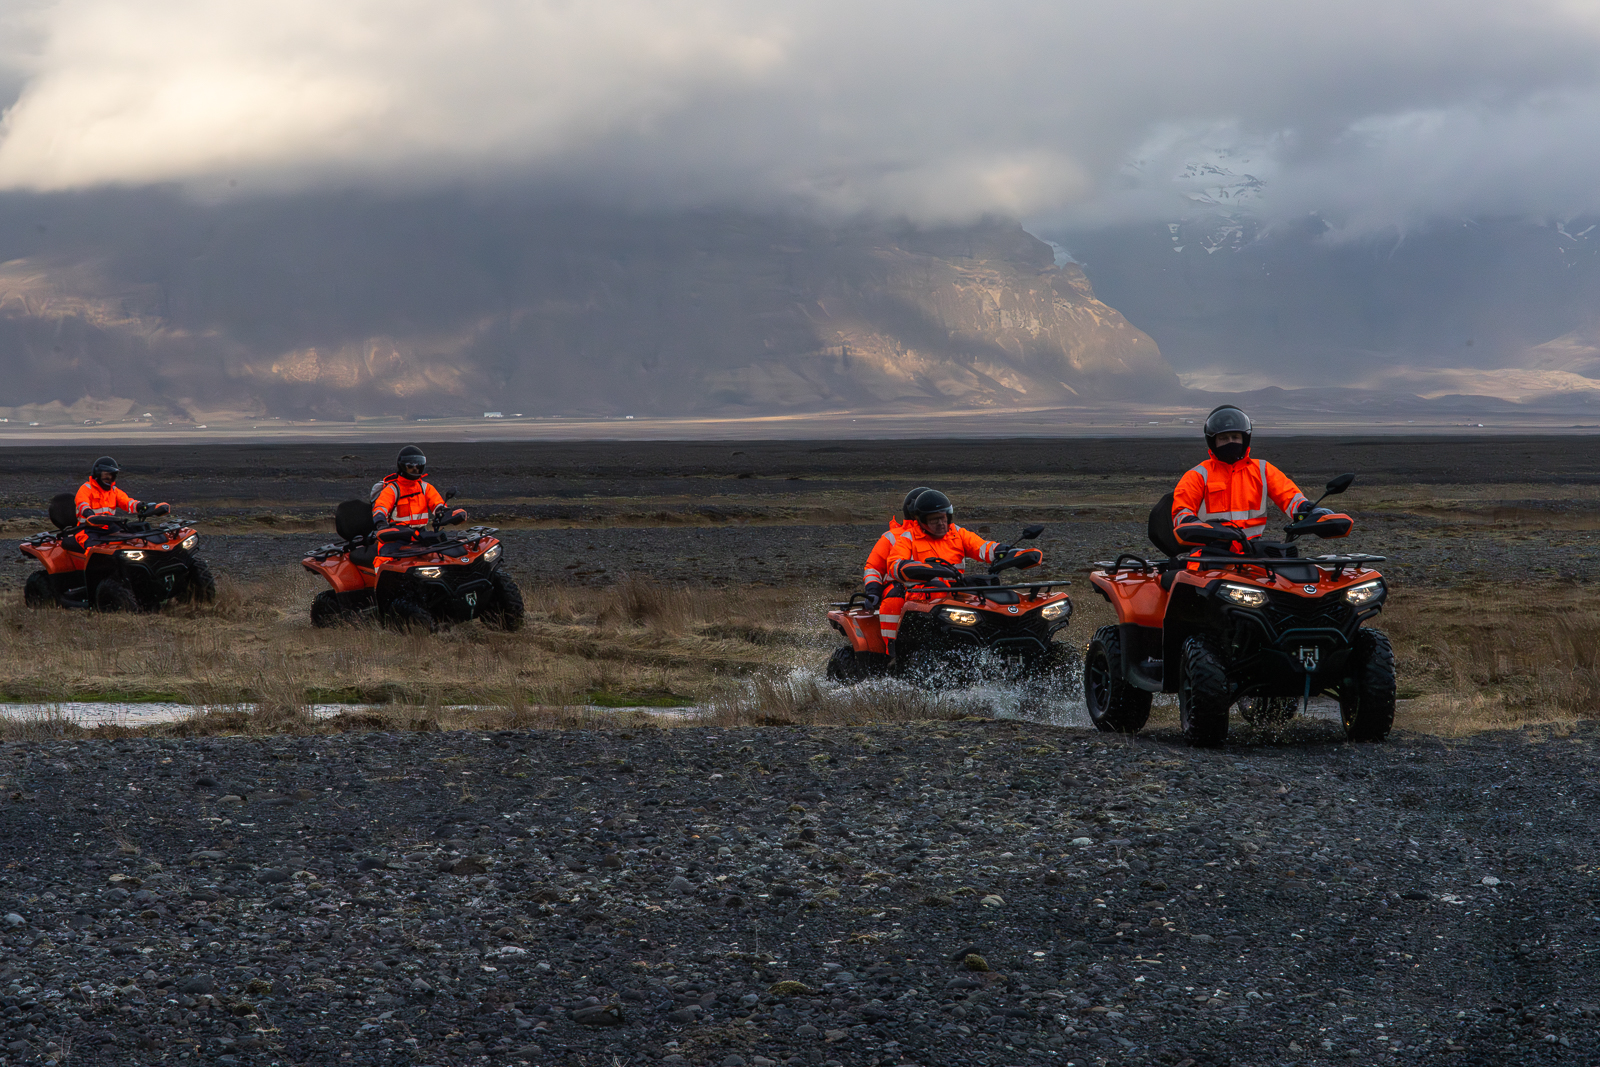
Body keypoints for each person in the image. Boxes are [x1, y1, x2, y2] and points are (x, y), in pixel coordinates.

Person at [885, 489, 1042, 659]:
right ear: (922, 521)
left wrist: (1004, 551)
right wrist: (924, 570)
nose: (941, 523)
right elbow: (895, 565)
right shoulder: (908, 538)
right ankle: (896, 656)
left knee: (992, 593)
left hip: (956, 592)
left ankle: (1008, 644)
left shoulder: (957, 533)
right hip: (924, 595)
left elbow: (982, 547)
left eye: (943, 518)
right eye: (934, 520)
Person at [1171, 405, 1327, 548]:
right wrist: (1194, 526)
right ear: (1213, 442)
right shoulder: (1198, 475)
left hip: (1254, 554)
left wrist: (1310, 510)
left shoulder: (1262, 470)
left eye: (1235, 437)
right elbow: (1181, 512)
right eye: (1224, 438)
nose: (1230, 442)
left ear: (1244, 440)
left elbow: (1290, 497)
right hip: (1210, 556)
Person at [861, 487, 928, 653]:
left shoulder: (946, 537)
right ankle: (893, 650)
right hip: (900, 588)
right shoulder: (891, 537)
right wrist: (873, 591)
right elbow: (873, 568)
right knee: (894, 598)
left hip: (937, 588)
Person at [370, 446, 462, 562]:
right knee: (384, 559)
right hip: (397, 536)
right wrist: (380, 522)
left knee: (447, 555)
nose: (415, 470)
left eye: (418, 466)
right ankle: (381, 579)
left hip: (421, 535)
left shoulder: (425, 488)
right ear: (402, 466)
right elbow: (381, 507)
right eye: (410, 466)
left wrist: (444, 513)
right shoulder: (393, 489)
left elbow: (437, 503)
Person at [73, 456, 168, 546]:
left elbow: (127, 502)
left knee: (129, 543)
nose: (109, 479)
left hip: (109, 528)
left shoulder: (113, 491)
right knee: (95, 549)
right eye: (106, 475)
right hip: (87, 529)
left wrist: (141, 506)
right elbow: (83, 505)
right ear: (97, 474)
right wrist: (89, 515)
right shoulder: (86, 489)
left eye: (112, 476)